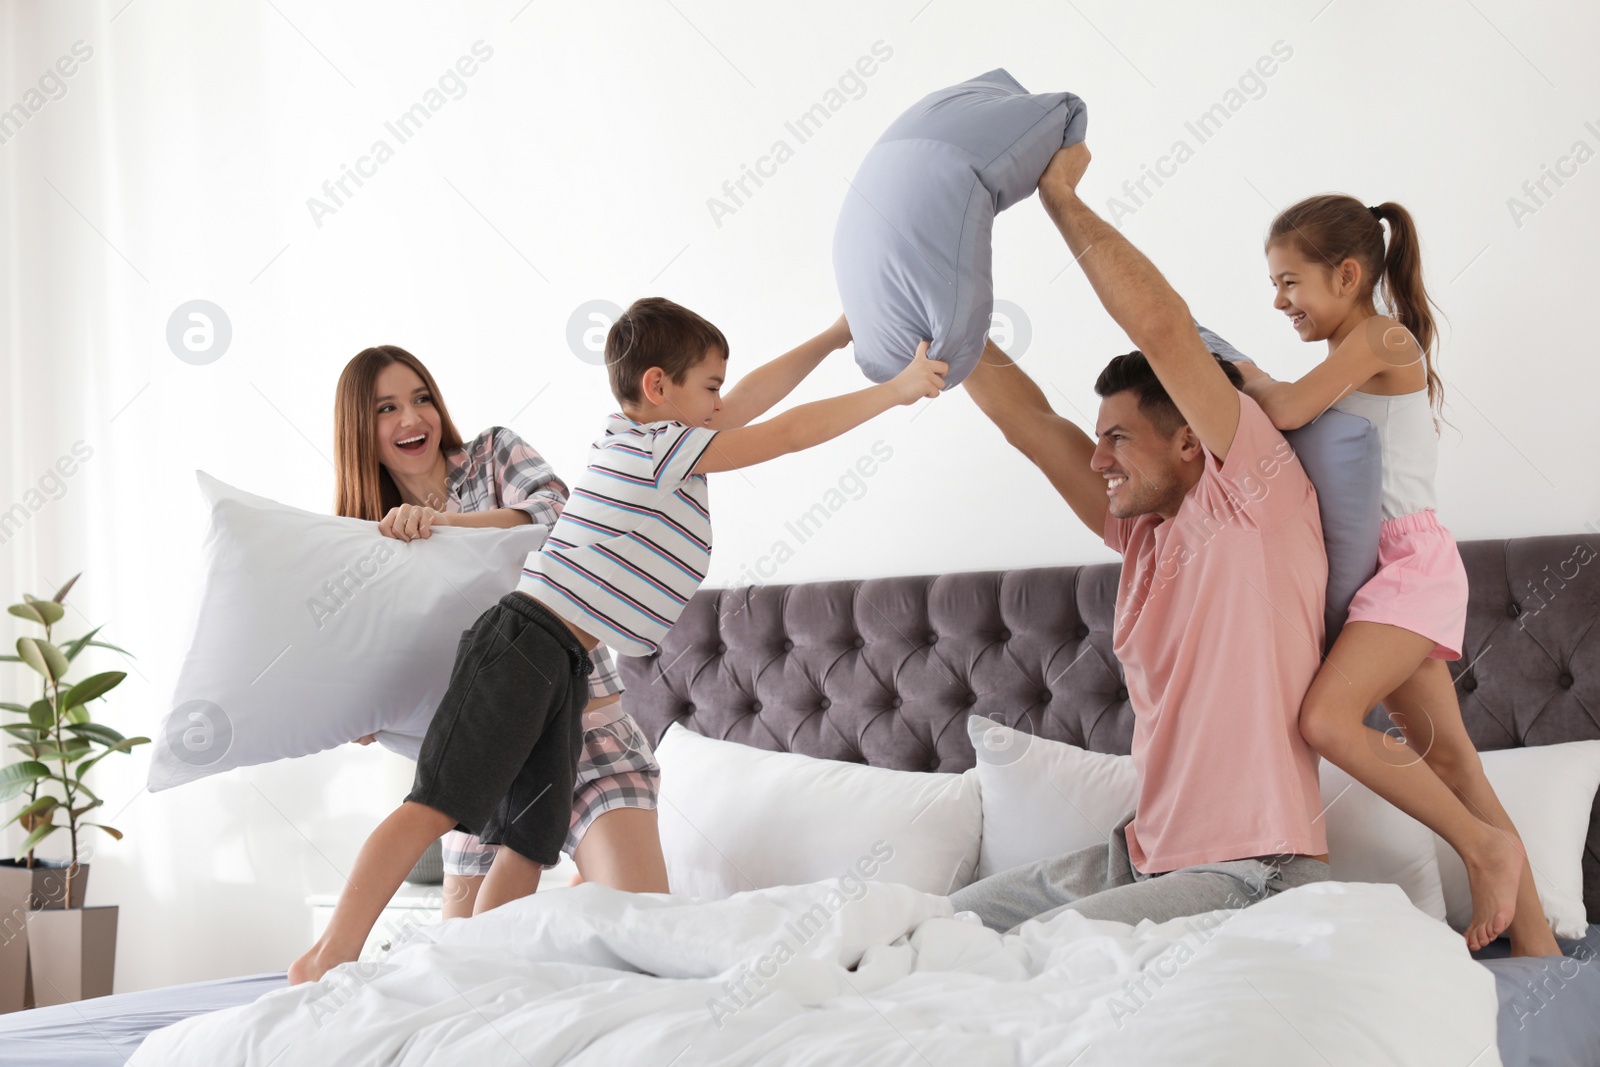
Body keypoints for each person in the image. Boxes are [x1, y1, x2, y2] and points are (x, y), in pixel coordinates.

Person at [290, 301, 944, 984]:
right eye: (710, 388)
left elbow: (751, 403)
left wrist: (837, 335)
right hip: (523, 645)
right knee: (435, 803)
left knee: (530, 838)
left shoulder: (647, 436)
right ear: (660, 387)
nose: (722, 402)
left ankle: (471, 968)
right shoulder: (657, 449)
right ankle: (331, 950)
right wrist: (895, 390)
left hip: (567, 668)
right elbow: (787, 433)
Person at [951, 142, 1333, 932]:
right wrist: (937, 322)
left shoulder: (1253, 496)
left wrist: (1059, 197)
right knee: (935, 925)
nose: (1098, 461)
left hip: (1251, 869)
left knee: (1036, 956)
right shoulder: (1144, 535)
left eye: (1119, 439)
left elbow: (1161, 328)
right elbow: (1031, 423)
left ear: (1192, 438)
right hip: (1138, 855)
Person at [1233, 196, 1558, 956]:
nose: (1278, 300)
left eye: (1290, 283)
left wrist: (1241, 373)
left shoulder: (1380, 336)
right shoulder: (1354, 345)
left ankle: (1483, 847)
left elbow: (1283, 409)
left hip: (1410, 569)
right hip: (1389, 576)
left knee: (1326, 719)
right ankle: (1539, 952)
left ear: (1347, 274)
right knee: (1451, 759)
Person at [331, 345, 666, 917]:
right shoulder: (363, 543)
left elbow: (559, 516)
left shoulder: (491, 453)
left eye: (421, 399)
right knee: (467, 967)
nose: (412, 419)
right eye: (387, 408)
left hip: (591, 740)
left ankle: (580, 899)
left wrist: (445, 525)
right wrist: (365, 712)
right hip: (484, 768)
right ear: (359, 429)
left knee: (642, 928)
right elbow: (385, 663)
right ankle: (567, 912)